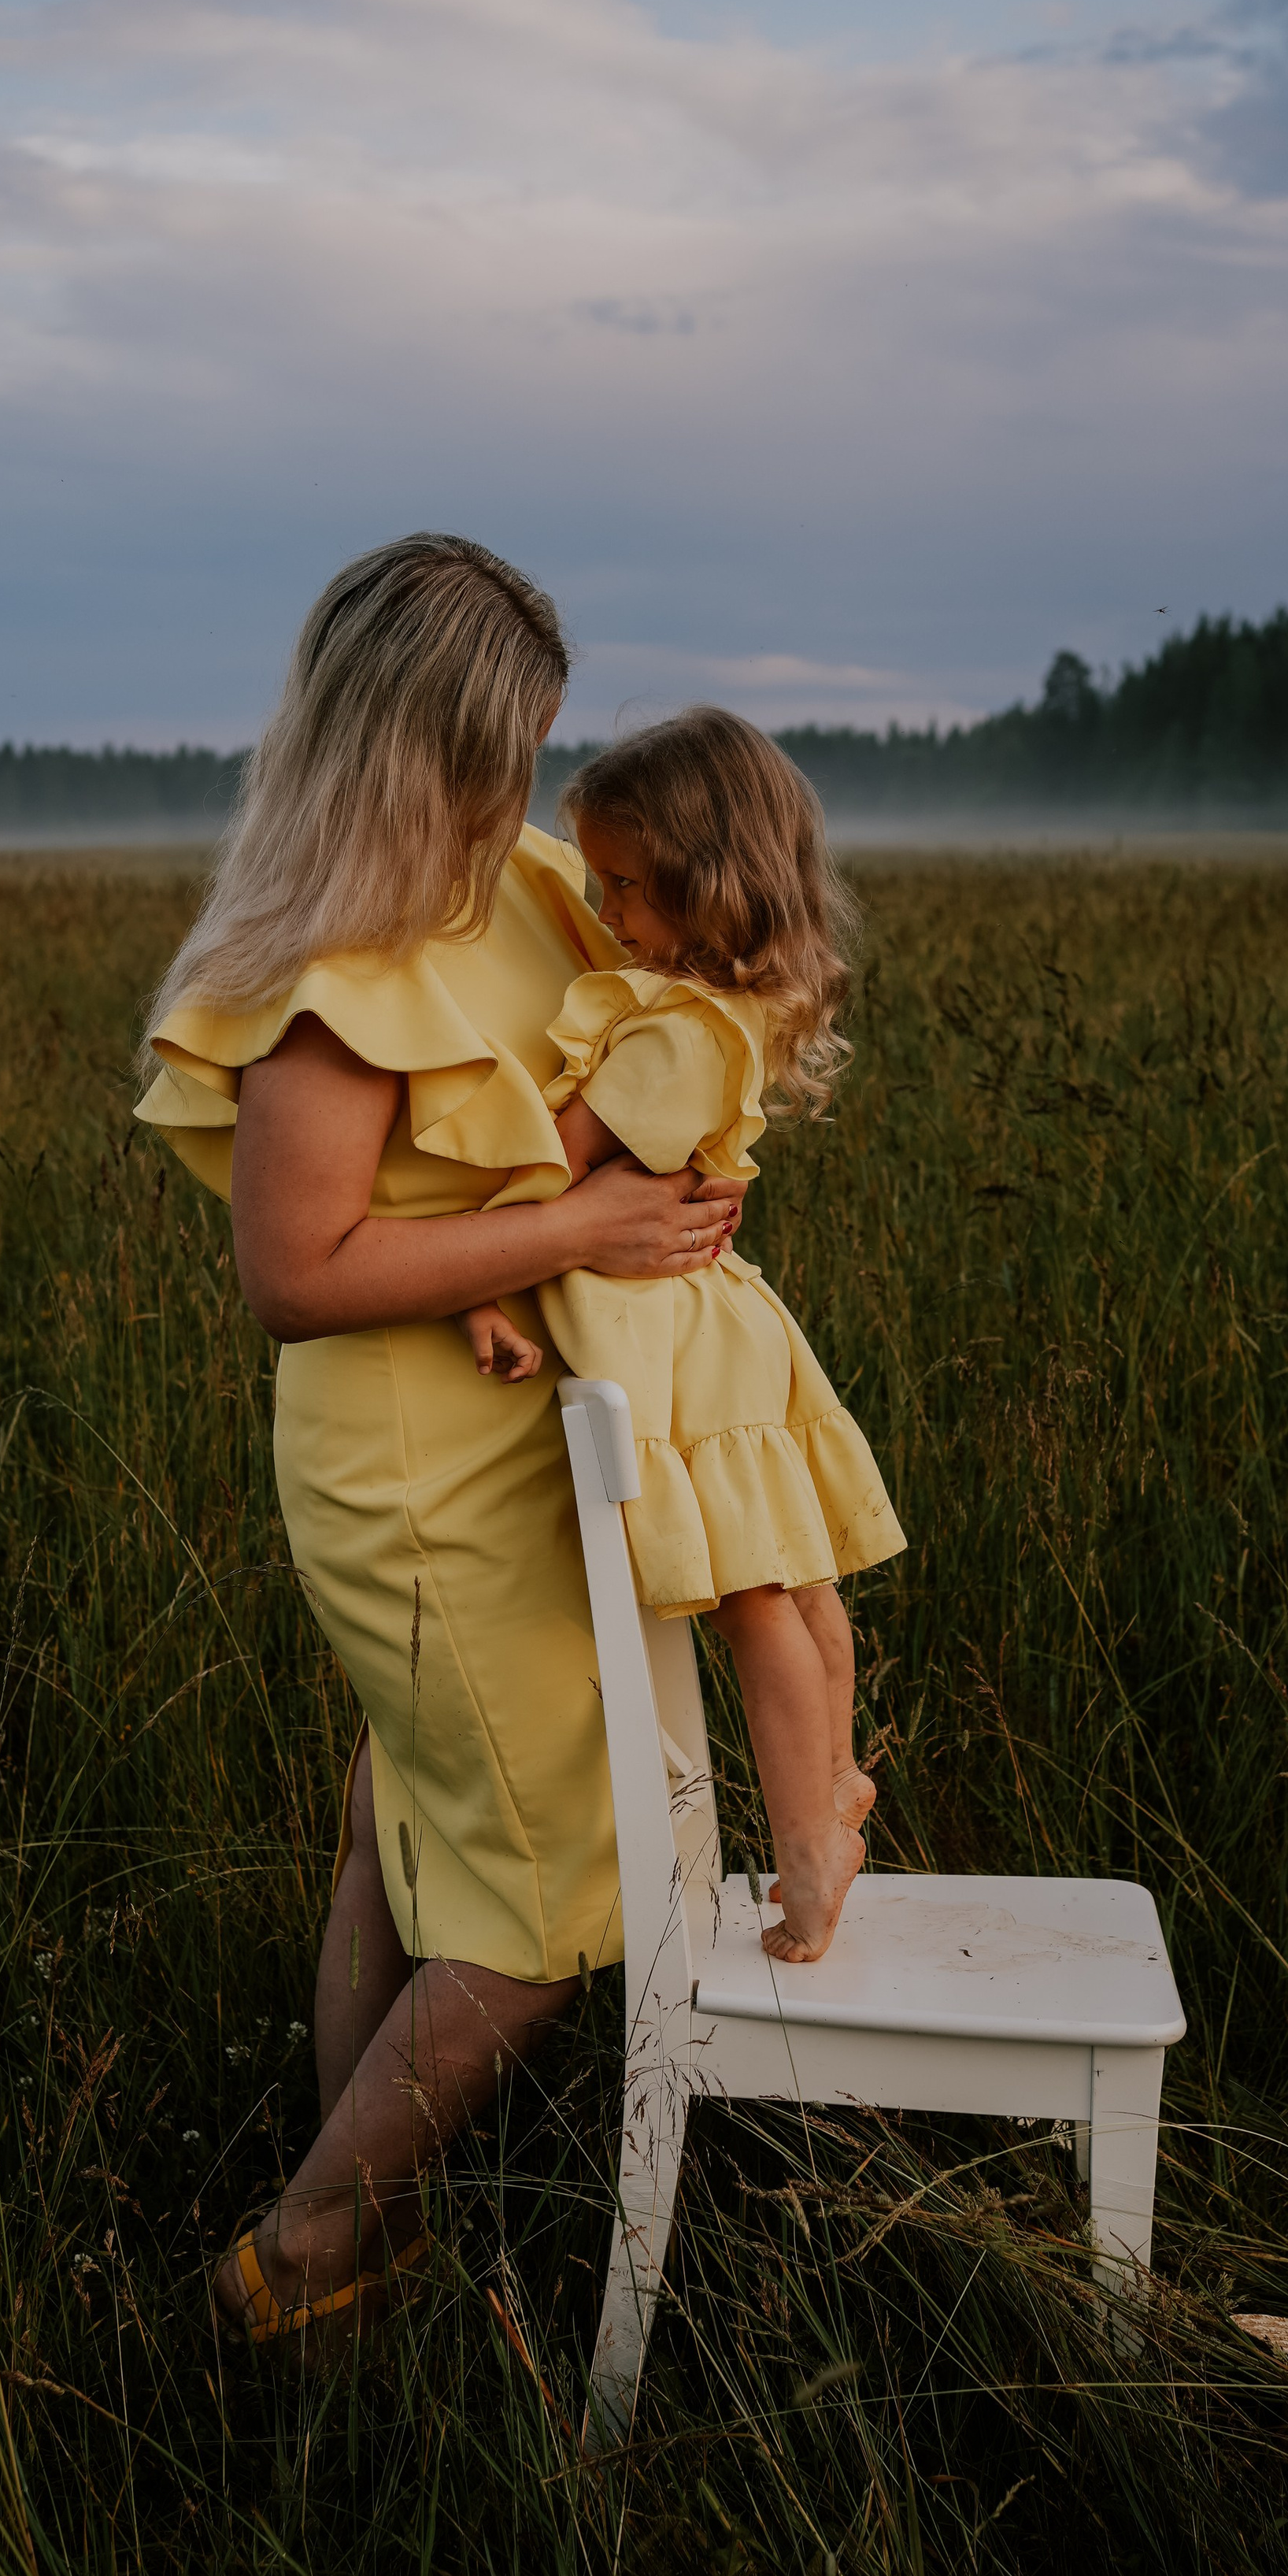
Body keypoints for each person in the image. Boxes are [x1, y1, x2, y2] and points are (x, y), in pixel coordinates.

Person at [135, 537, 744, 2353]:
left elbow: (682, 995)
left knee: (407, 1824)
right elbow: (293, 1272)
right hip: (407, 1470)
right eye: (498, 752)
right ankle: (297, 2263)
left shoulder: (530, 883)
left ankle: (367, 2256)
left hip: (517, 1438)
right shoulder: (328, 966)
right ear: (412, 750)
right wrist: (575, 1236)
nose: (524, 790)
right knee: (561, 1888)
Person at [453, 708, 905, 1963]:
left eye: (628, 886)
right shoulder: (727, 1010)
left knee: (755, 1602)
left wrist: (477, 1283)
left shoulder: (667, 1032)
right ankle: (836, 1786)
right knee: (804, 1586)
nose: (605, 910)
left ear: (710, 880)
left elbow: (563, 1165)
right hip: (726, 1323)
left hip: (669, 1341)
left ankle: (808, 1852)